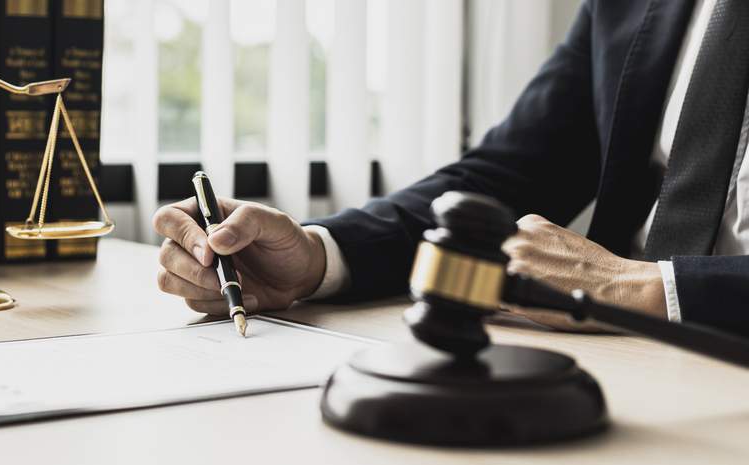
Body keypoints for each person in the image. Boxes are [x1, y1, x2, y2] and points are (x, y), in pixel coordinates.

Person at [154, 0, 749, 336]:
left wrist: (646, 289)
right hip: (623, 361)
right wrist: (316, 256)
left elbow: (631, 287)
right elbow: (502, 178)